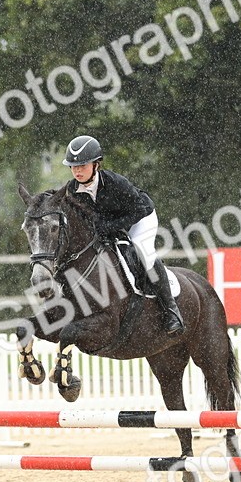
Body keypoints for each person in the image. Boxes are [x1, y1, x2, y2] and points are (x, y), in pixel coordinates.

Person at [61, 134, 184, 336]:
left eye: (82, 165)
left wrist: (111, 226)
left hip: (140, 216)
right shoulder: (73, 190)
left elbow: (139, 210)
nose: (77, 171)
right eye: (73, 166)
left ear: (96, 165)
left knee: (142, 250)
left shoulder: (115, 183)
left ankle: (172, 311)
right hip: (111, 225)